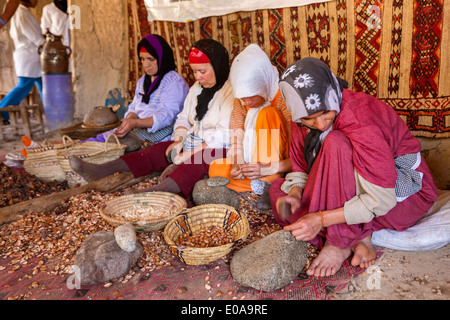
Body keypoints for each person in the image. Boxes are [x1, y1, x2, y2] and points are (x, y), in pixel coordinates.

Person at [270, 57, 438, 278]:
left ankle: (340, 241)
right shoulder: (299, 116)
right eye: (310, 120)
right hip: (354, 186)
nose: (320, 125)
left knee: (335, 143)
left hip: (401, 196)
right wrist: (295, 192)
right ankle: (362, 234)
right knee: (278, 194)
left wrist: (320, 219)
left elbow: (383, 200)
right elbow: (301, 166)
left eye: (324, 113)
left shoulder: (358, 118)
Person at [69, 38, 235, 200]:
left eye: (202, 71)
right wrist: (179, 140)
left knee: (200, 159)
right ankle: (101, 170)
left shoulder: (230, 92)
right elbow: (183, 118)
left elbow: (222, 136)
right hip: (194, 141)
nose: (197, 77)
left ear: (217, 66)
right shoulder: (197, 89)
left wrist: (189, 153)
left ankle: (156, 191)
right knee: (158, 150)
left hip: (217, 147)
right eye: (194, 71)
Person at [208, 44, 292, 210]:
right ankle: (264, 185)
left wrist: (269, 168)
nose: (247, 103)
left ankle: (270, 181)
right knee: (214, 168)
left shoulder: (282, 97)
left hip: (280, 164)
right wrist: (236, 165)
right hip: (253, 164)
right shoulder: (241, 100)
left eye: (251, 97)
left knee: (267, 114)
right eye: (243, 98)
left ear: (263, 84)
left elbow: (298, 154)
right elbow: (236, 137)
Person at [86, 34, 189, 147]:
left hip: (160, 135)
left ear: (162, 58)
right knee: (100, 140)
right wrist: (128, 122)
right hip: (137, 128)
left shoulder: (174, 82)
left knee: (121, 149)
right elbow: (135, 107)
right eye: (142, 59)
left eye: (151, 59)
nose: (145, 64)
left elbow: (165, 116)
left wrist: (135, 123)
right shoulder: (144, 80)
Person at [0, 0, 44, 125]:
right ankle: (3, 110)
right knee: (24, 86)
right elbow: (35, 37)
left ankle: (51, 109)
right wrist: (47, 43)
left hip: (30, 56)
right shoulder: (21, 12)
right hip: (28, 56)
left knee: (43, 85)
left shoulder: (23, 11)